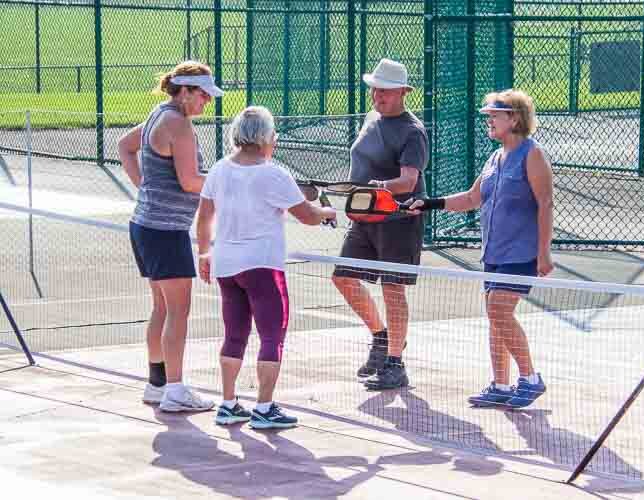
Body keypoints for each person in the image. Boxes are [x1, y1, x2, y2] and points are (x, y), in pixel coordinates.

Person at [407, 89, 553, 409]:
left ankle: (530, 379)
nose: (488, 119)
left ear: (513, 118)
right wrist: (430, 203)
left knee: (499, 310)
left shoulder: (532, 154)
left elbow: (545, 202)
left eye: (494, 114)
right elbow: (473, 198)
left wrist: (544, 252)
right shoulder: (495, 157)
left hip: (521, 252)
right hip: (493, 252)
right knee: (495, 315)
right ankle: (500, 384)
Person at [196, 106, 336, 428]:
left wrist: (204, 253)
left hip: (227, 265)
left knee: (234, 334)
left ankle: (229, 403)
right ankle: (264, 407)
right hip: (262, 266)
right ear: (265, 138)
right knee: (272, 335)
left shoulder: (219, 169)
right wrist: (327, 212)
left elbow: (204, 216)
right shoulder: (274, 174)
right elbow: (308, 216)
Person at [118, 60, 223, 412]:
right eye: (204, 95)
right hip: (165, 232)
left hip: (146, 226)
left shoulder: (158, 114)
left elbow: (124, 145)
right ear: (186, 90)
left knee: (162, 307)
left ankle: (157, 384)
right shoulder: (178, 124)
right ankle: (176, 391)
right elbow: (190, 181)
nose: (207, 102)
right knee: (178, 311)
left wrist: (143, 186)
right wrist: (229, 179)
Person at [331, 58, 429, 391]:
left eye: (385, 90)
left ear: (403, 92)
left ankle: (395, 363)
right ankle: (381, 337)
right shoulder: (370, 119)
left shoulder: (413, 131)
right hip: (365, 216)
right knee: (342, 278)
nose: (377, 96)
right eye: (375, 89)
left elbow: (408, 181)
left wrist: (377, 188)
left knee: (392, 289)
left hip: (398, 219)